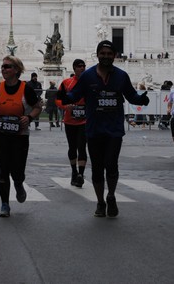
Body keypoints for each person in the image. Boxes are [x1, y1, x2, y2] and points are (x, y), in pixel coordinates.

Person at [58, 40, 150, 218]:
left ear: (114, 56)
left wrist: (141, 100)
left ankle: (111, 195)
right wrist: (64, 96)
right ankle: (100, 201)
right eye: (103, 53)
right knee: (98, 168)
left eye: (109, 53)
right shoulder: (87, 76)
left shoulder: (122, 76)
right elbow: (74, 95)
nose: (106, 56)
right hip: (94, 129)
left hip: (114, 129)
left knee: (112, 165)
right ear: (98, 54)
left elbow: (131, 96)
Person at [0, 56, 42, 217]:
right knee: (3, 169)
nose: (3, 69)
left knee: (17, 169)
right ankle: (4, 204)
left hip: (19, 135)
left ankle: (18, 182)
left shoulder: (26, 89)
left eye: (7, 67)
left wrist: (29, 118)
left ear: (16, 69)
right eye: (2, 66)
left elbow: (37, 107)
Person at [55, 59, 88, 187]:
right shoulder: (66, 83)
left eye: (84, 66)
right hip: (70, 120)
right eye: (80, 66)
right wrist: (65, 107)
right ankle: (74, 172)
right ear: (74, 68)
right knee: (72, 147)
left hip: (84, 121)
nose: (82, 68)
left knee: (82, 146)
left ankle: (81, 174)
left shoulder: (89, 83)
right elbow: (58, 100)